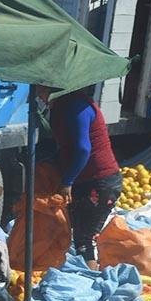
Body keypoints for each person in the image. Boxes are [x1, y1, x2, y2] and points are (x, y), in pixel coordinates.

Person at [36, 85, 121, 271]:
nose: (39, 96)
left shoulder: (75, 106)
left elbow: (83, 149)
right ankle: (82, 273)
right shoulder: (63, 106)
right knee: (75, 232)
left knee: (85, 238)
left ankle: (92, 281)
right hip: (89, 181)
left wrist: (68, 182)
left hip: (99, 182)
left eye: (41, 91)